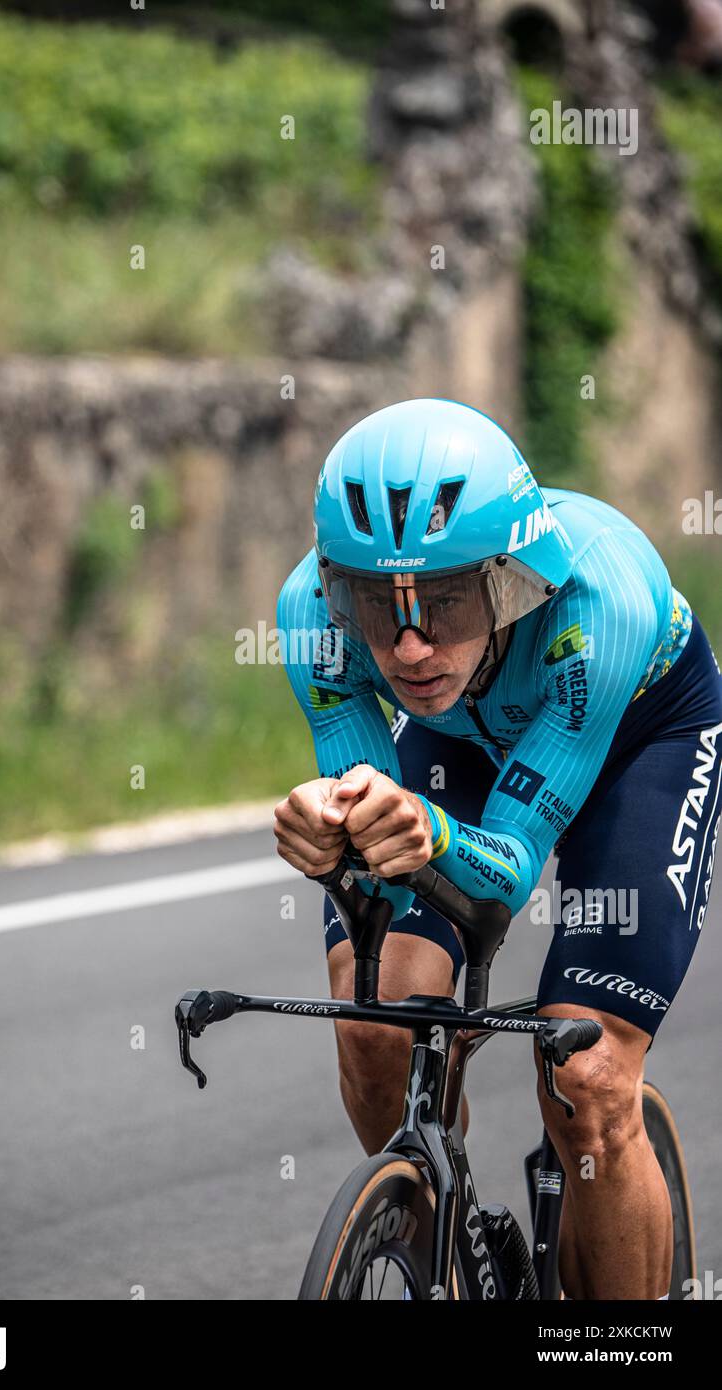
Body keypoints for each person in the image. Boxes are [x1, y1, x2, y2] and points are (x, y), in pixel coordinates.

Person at [273, 398, 722, 1301]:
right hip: (464, 734)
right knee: (373, 1023)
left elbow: (506, 871)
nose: (408, 646)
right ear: (336, 587)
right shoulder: (313, 618)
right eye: (376, 603)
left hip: (641, 733)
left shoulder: (597, 605)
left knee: (586, 1075)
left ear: (512, 580)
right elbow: (369, 825)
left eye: (445, 600)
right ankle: (447, 1242)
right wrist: (328, 835)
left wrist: (429, 832)